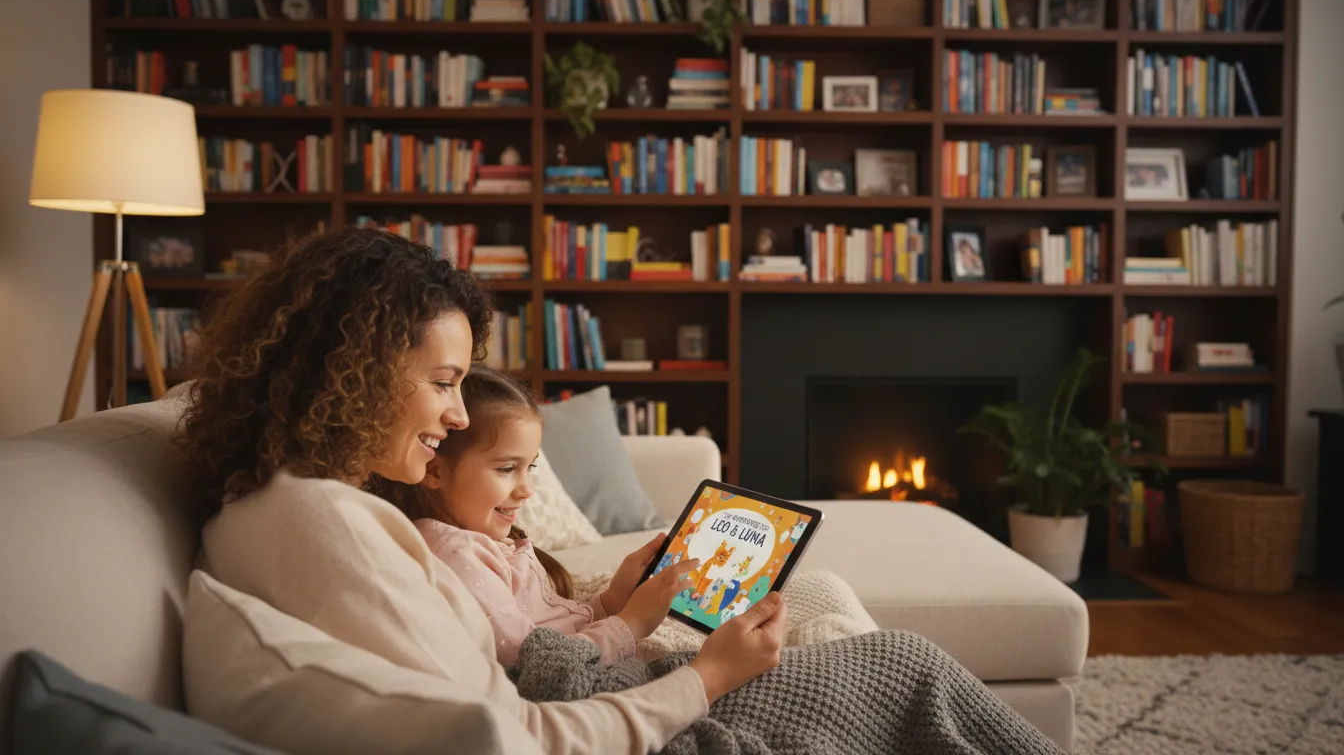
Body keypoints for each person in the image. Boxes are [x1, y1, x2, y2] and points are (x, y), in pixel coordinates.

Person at [177, 226, 1066, 755]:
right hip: (627, 725)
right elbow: (520, 728)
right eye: (443, 382)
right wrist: (703, 677)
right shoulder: (319, 521)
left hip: (612, 700)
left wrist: (628, 617)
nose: (454, 415)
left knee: (883, 654)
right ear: (356, 372)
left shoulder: (307, 500)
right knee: (907, 665)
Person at [383, 365, 691, 667]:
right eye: (507, 469)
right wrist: (631, 624)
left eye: (530, 467)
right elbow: (534, 664)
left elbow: (554, 628)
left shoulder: (482, 543)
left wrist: (612, 600)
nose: (527, 490)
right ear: (434, 470)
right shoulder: (456, 555)